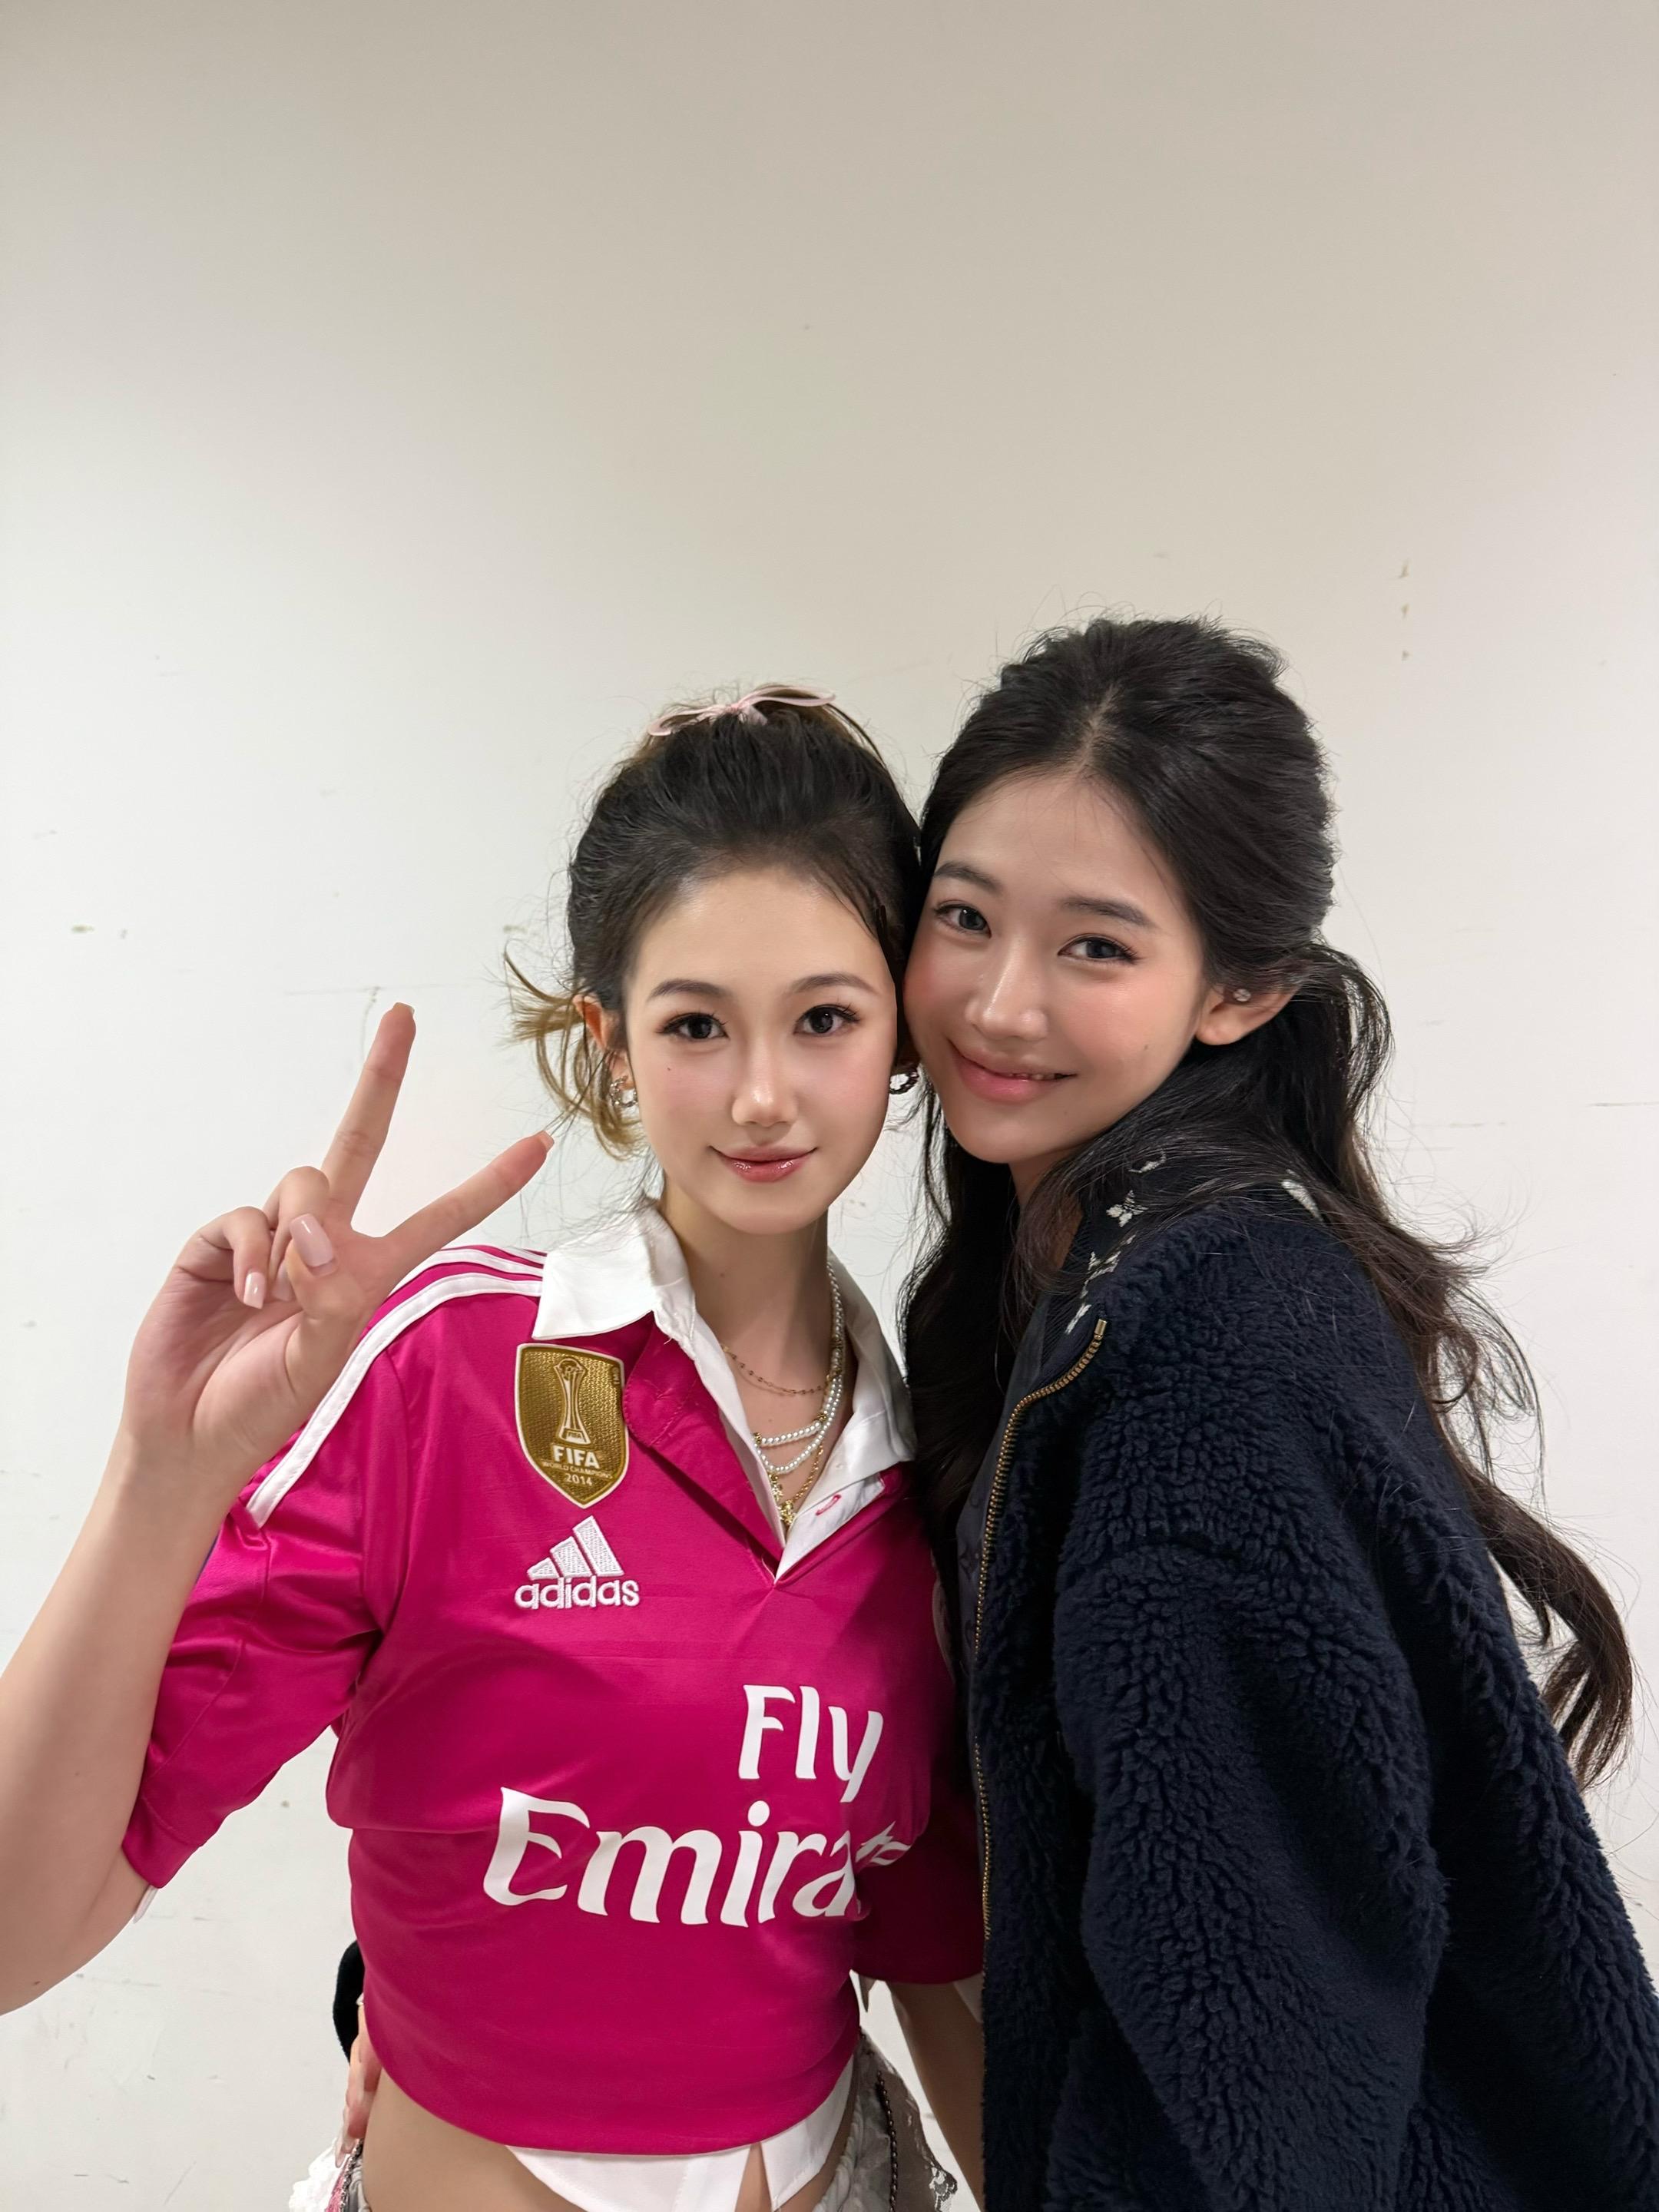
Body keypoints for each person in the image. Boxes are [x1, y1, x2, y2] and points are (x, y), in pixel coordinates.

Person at [0, 688, 985, 2212]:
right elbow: (20, 1932)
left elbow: (929, 1962)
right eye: (696, 1024)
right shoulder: (451, 1369)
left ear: (901, 1036)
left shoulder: (935, 1474)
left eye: (825, 1019)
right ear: (610, 1044)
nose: (764, 1093)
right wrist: (162, 1473)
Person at [899, 617, 1659, 2209]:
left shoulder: (1204, 1345)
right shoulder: (1072, 1284)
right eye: (964, 917)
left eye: (1096, 947)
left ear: (1241, 992)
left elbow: (1254, 2030)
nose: (999, 1003)